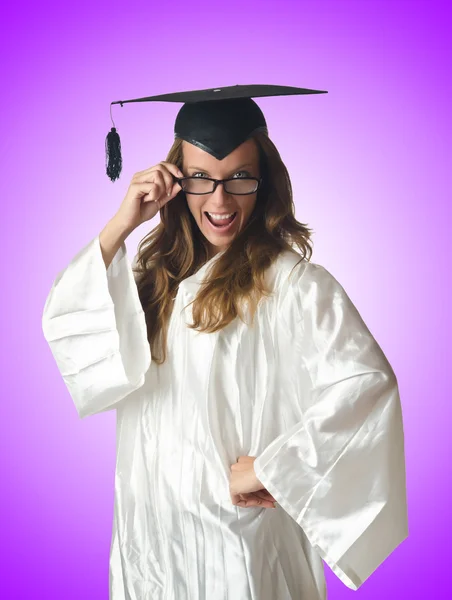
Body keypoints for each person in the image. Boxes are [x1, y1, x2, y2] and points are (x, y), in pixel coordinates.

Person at [42, 85, 408, 600]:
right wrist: (121, 225)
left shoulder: (292, 285)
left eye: (239, 177)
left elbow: (366, 387)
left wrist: (274, 468)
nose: (219, 199)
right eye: (200, 178)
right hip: (151, 537)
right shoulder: (153, 275)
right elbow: (76, 338)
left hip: (238, 546)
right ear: (177, 180)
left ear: (264, 181)